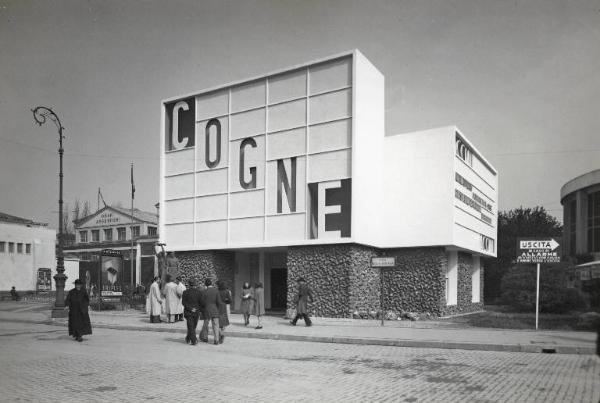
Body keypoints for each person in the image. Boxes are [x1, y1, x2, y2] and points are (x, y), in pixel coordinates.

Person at [200, 278, 224, 345]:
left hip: (206, 310)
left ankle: (205, 338)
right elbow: (219, 302)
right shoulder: (216, 291)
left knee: (206, 324)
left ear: (205, 284)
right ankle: (216, 340)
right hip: (215, 309)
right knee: (216, 325)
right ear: (211, 284)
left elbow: (202, 302)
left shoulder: (204, 291)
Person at [181, 279, 203, 345]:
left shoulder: (185, 292)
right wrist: (198, 309)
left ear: (189, 284)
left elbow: (183, 303)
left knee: (191, 327)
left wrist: (190, 309)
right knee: (192, 326)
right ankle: (194, 340)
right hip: (196, 312)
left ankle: (188, 337)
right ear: (195, 284)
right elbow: (201, 303)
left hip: (189, 311)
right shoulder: (199, 292)